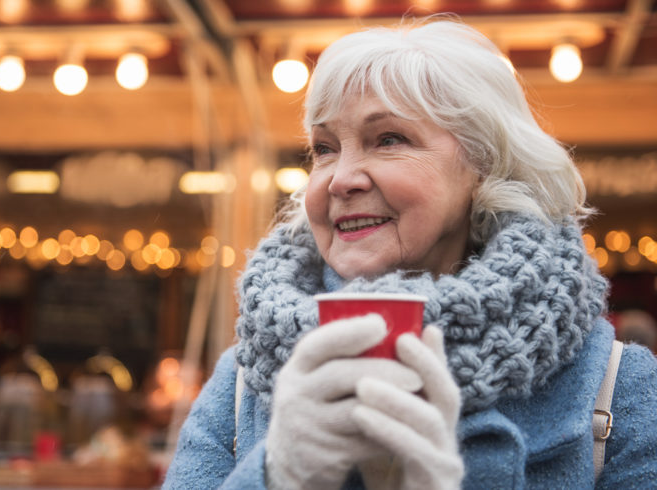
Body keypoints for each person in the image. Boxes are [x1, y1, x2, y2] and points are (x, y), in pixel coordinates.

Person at [163, 16, 657, 489]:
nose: (340, 178)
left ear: (485, 165)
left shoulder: (619, 386)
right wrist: (276, 476)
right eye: (324, 148)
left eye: (389, 139)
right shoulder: (240, 382)